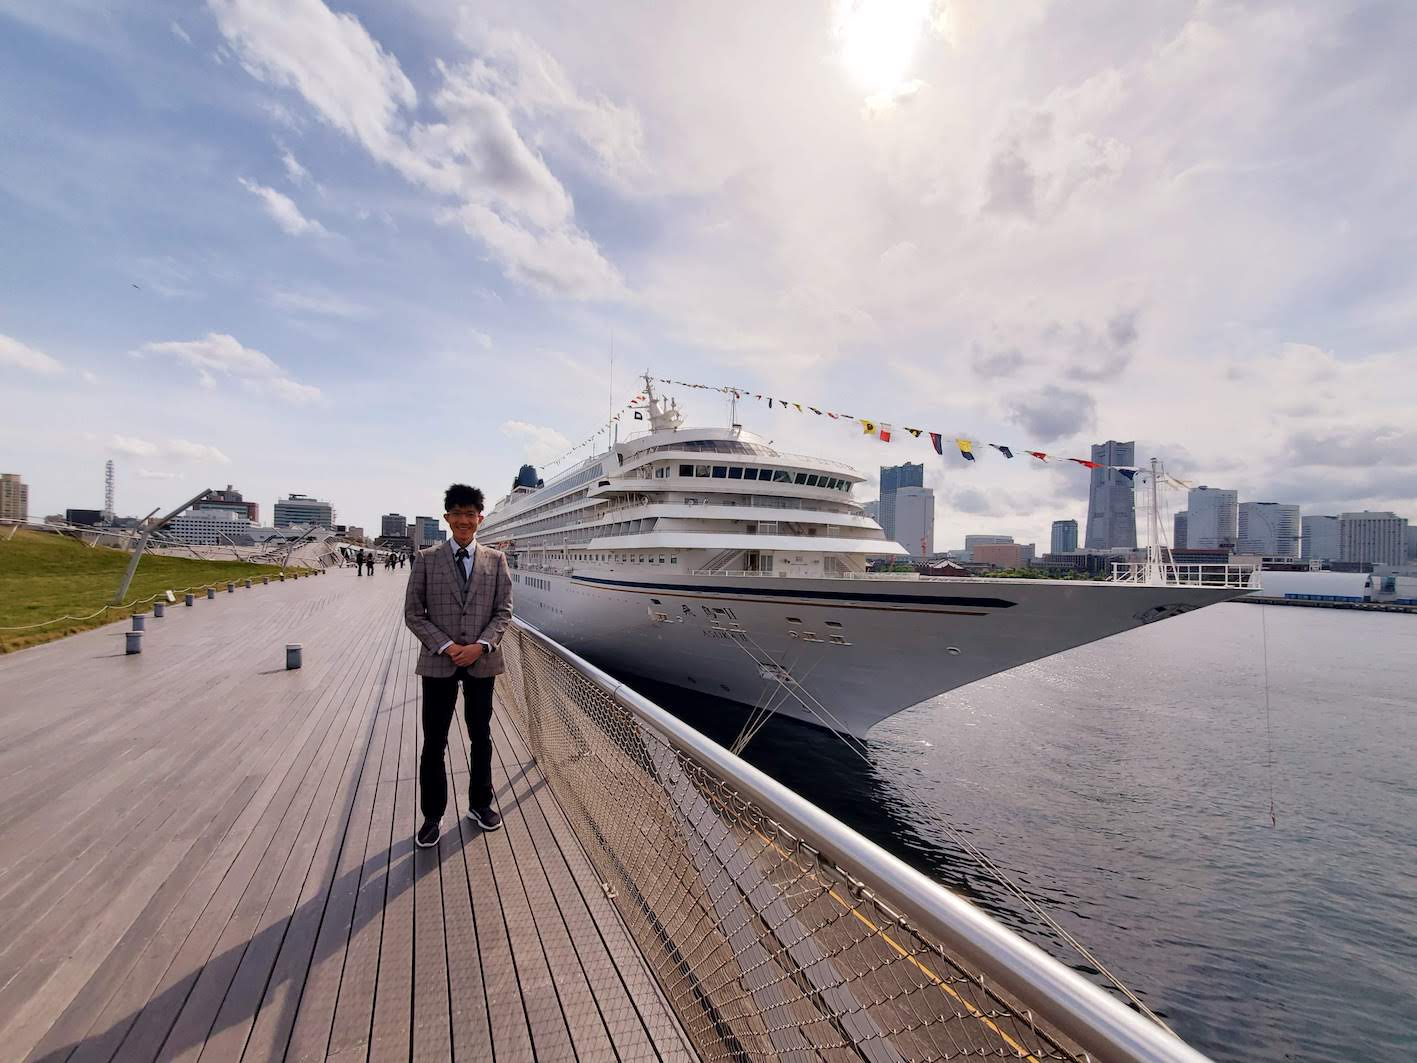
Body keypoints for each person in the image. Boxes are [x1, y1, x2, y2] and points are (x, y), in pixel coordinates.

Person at [404, 484, 513, 848]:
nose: (464, 521)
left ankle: (480, 804)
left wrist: (480, 645)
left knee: (480, 737)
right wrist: (449, 646)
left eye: (471, 515)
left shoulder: (496, 561)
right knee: (434, 741)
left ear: (480, 519)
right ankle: (432, 817)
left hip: (482, 662)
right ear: (446, 517)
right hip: (440, 662)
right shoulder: (426, 558)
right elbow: (413, 614)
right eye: (458, 514)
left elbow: (504, 612)